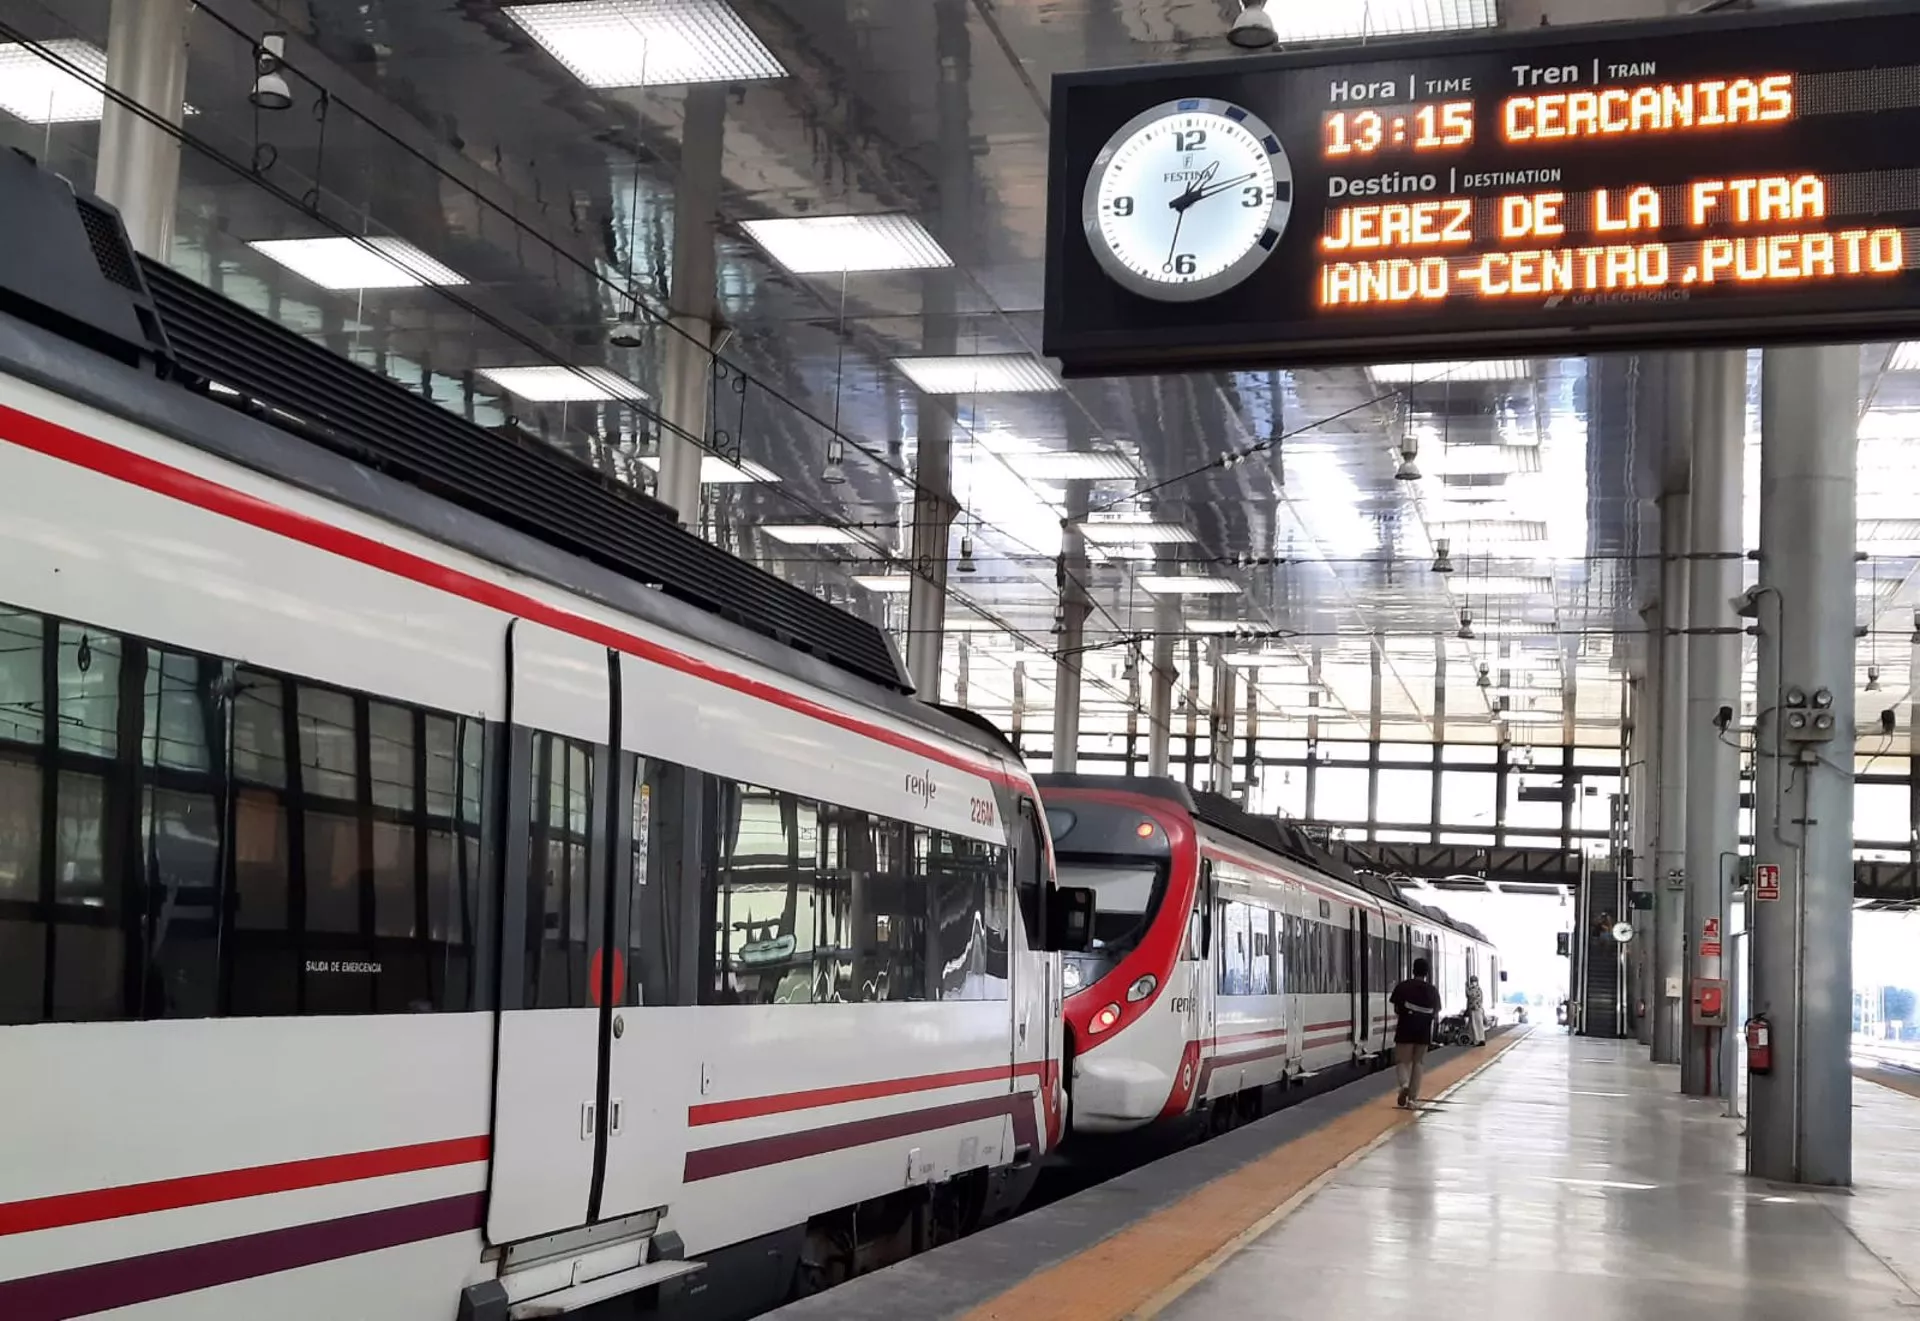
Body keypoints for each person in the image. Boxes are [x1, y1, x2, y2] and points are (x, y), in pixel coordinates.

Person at [1389, 957, 1443, 1109]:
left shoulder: (1403, 987)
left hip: (1405, 1028)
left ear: (1413, 970)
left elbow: (1396, 1008)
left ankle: (1404, 1085)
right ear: (1427, 972)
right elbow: (1436, 1011)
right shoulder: (1432, 990)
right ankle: (1412, 1100)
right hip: (1423, 1031)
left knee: (1402, 1061)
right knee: (1418, 1063)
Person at [1466, 974, 1487, 1046]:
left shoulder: (1473, 989)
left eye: (1473, 981)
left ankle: (1477, 1040)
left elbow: (1469, 995)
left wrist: (1466, 987)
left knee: (1475, 1024)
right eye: (1472, 981)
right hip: (1478, 1008)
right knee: (1478, 1024)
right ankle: (1480, 1039)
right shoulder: (1478, 989)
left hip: (1475, 1008)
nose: (1473, 982)